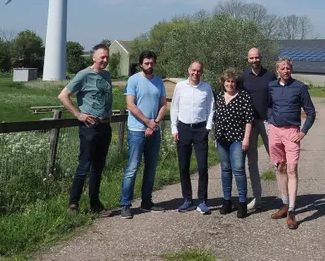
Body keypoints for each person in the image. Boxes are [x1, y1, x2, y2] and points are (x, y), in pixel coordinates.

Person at [58, 43, 114, 215]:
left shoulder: (107, 75)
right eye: (102, 57)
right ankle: (73, 205)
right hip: (90, 126)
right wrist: (78, 114)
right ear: (94, 57)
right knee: (84, 165)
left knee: (98, 166)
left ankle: (95, 204)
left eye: (107, 57)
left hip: (105, 126)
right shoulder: (84, 74)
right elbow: (63, 95)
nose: (105, 60)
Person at [267, 57, 316, 229]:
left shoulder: (300, 87)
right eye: (282, 68)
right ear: (277, 70)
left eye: (288, 68)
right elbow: (267, 106)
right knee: (280, 166)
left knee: (292, 169)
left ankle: (292, 212)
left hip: (292, 132)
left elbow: (311, 112)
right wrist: (269, 121)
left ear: (291, 69)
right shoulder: (271, 86)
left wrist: (303, 131)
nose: (286, 70)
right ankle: (285, 203)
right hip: (275, 131)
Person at [120, 50, 167, 219]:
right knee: (132, 167)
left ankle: (147, 201)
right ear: (141, 64)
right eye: (146, 63)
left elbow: (163, 104)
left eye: (152, 63)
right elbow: (131, 105)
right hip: (137, 131)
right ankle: (125, 204)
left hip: (154, 130)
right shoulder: (133, 80)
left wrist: (154, 123)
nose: (149, 66)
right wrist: (147, 122)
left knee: (151, 168)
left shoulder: (159, 81)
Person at [170, 60, 215, 214]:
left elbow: (211, 108)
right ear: (188, 70)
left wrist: (208, 127)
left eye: (199, 71)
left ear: (202, 72)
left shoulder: (206, 87)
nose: (195, 73)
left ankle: (202, 201)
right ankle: (187, 199)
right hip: (183, 128)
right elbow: (174, 107)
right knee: (184, 166)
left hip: (200, 129)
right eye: (193, 70)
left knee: (202, 167)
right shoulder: (180, 86)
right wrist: (174, 128)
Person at [238, 47, 277, 211]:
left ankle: (285, 197)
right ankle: (257, 197)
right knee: (252, 162)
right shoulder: (242, 78)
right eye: (251, 58)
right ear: (248, 60)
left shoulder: (270, 76)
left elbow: (276, 97)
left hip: (268, 122)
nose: (255, 60)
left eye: (257, 57)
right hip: (250, 124)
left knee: (276, 158)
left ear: (261, 58)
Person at [213, 68, 255, 218]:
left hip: (238, 139)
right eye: (227, 81)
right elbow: (216, 118)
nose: (230, 84)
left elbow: (249, 119)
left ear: (236, 83)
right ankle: (227, 200)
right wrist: (215, 137)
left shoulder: (243, 96)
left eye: (232, 81)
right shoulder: (219, 96)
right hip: (222, 139)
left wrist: (246, 138)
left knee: (238, 170)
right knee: (225, 170)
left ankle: (242, 203)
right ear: (223, 83)